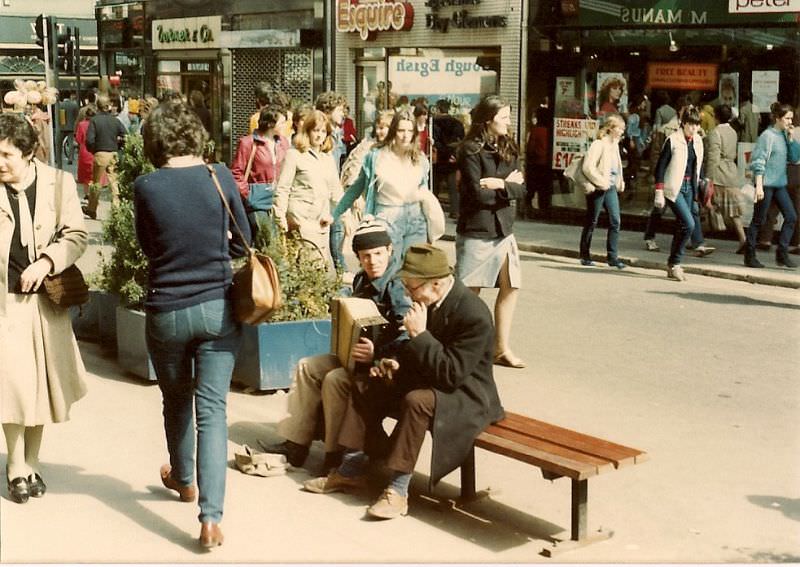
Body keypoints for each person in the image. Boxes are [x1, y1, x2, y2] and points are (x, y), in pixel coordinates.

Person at [302, 244, 504, 520]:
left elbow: (451, 374)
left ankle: (397, 491)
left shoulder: (473, 314)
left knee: (416, 401)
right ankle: (350, 469)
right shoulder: (430, 301)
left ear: (436, 283)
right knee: (365, 384)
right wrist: (395, 362)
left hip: (466, 395)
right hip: (434, 380)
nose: (407, 293)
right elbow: (417, 353)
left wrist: (420, 335)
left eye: (412, 286)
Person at [134, 99, 251, 549]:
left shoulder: (146, 186)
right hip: (217, 308)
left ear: (154, 141)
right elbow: (245, 241)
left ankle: (183, 480)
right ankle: (210, 519)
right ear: (195, 136)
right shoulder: (219, 176)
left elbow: (148, 246)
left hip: (167, 309)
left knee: (176, 398)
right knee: (213, 412)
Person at [260, 219, 411, 472]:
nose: (372, 261)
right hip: (357, 358)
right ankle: (296, 444)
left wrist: (377, 354)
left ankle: (334, 455)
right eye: (365, 256)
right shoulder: (361, 280)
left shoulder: (397, 285)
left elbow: (407, 335)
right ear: (358, 258)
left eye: (378, 254)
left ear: (389, 250)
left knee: (334, 379)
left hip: (384, 367)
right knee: (307, 367)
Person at [0, 112, 88, 504]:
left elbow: (77, 235)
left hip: (47, 302)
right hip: (5, 304)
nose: (0, 163)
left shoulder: (59, 184)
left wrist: (48, 261)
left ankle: (32, 462)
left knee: (41, 388)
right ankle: (15, 465)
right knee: (12, 386)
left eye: (6, 155)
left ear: (27, 153)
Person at [455, 95, 527, 368]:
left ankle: (501, 348)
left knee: (511, 285)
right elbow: (476, 195)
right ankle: (461, 349)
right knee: (468, 293)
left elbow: (522, 189)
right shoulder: (470, 150)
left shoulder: (508, 146)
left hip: (504, 228)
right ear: (488, 119)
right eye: (504, 117)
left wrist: (499, 184)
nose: (509, 122)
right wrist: (507, 186)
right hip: (478, 229)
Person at [332, 109, 431, 268]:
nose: (405, 135)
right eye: (401, 130)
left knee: (412, 271)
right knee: (387, 270)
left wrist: (431, 226)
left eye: (409, 131)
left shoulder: (420, 159)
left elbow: (425, 196)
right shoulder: (375, 156)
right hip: (386, 220)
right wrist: (335, 214)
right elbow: (356, 188)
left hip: (415, 222)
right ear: (393, 131)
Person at [273, 109, 341, 271]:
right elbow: (282, 189)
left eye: (323, 131)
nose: (319, 135)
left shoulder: (328, 158)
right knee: (306, 268)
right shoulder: (294, 155)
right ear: (308, 131)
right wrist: (280, 218)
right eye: (316, 130)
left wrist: (340, 215)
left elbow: (336, 191)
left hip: (322, 222)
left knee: (322, 269)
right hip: (301, 220)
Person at [653, 106, 709, 281]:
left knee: (683, 225)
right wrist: (659, 191)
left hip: (690, 187)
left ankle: (672, 264)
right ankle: (675, 262)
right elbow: (660, 167)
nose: (693, 128)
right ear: (683, 123)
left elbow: (698, 164)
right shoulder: (673, 140)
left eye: (696, 125)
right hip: (674, 186)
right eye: (690, 124)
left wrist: (701, 184)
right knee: (689, 224)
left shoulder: (698, 141)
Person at [743, 102, 799, 269]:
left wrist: (791, 139)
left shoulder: (784, 135)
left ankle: (782, 253)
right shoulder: (767, 136)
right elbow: (758, 161)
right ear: (778, 118)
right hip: (766, 184)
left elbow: (794, 158)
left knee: (791, 216)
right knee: (759, 220)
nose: (790, 122)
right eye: (787, 118)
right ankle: (749, 255)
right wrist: (759, 186)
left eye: (791, 118)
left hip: (779, 184)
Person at [230, 105, 290, 244]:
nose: (284, 126)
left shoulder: (283, 143)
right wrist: (247, 193)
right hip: (257, 200)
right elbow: (236, 172)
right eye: (281, 123)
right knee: (266, 239)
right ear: (270, 124)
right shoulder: (248, 143)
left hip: (277, 198)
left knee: (278, 240)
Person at [578, 114, 627, 269]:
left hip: (610, 187)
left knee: (615, 220)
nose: (622, 131)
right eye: (620, 128)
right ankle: (584, 255)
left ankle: (612, 257)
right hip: (598, 187)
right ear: (611, 128)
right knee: (592, 220)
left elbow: (616, 167)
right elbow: (588, 167)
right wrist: (601, 182)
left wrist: (619, 181)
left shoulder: (615, 145)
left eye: (623, 129)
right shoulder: (599, 144)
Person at [704, 105, 746, 253]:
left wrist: (708, 178)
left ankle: (697, 240)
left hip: (719, 174)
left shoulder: (715, 132)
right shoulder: (733, 131)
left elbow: (713, 157)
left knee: (706, 205)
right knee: (734, 211)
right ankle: (743, 238)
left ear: (715, 116)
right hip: (731, 173)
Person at [315, 91, 349, 271]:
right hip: (323, 189)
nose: (343, 113)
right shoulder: (323, 134)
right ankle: (340, 269)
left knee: (337, 228)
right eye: (339, 110)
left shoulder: (337, 133)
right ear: (328, 110)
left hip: (333, 187)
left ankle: (338, 268)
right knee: (335, 228)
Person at [84, 94, 127, 220]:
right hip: (113, 153)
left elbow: (89, 140)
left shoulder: (94, 121)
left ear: (97, 106)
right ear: (108, 106)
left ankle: (92, 209)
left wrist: (93, 150)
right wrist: (119, 146)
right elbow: (125, 135)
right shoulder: (115, 121)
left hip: (100, 153)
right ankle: (116, 210)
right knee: (114, 183)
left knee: (96, 183)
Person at [432, 98, 465, 218]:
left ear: (438, 109)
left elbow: (434, 141)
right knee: (453, 187)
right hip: (452, 158)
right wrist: (454, 154)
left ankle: (434, 210)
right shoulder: (457, 123)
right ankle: (455, 211)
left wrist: (442, 150)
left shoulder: (433, 123)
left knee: (435, 186)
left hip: (438, 159)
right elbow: (461, 141)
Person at [524, 103, 552, 219]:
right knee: (544, 190)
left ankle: (528, 210)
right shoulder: (551, 130)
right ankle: (544, 211)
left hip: (535, 164)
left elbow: (531, 147)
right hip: (547, 165)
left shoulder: (536, 130)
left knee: (531, 188)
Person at [73, 104, 97, 202]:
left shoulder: (81, 124)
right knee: (94, 174)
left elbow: (78, 139)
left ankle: (86, 194)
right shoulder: (96, 124)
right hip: (94, 151)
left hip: (84, 151)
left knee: (85, 176)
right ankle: (94, 193)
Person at [59, 90, 79, 165]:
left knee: (59, 142)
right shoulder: (74, 105)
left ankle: (58, 158)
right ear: (69, 96)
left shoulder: (60, 105)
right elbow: (76, 116)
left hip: (62, 126)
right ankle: (70, 158)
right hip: (71, 126)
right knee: (71, 143)